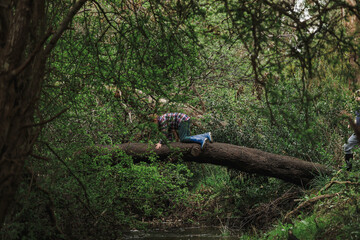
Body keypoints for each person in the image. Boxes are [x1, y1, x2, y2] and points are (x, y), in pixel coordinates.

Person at [343, 89, 360, 171]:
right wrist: (352, 123)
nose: (357, 98)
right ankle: (349, 169)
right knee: (347, 147)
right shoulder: (357, 108)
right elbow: (357, 118)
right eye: (356, 97)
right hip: (357, 133)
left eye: (359, 97)